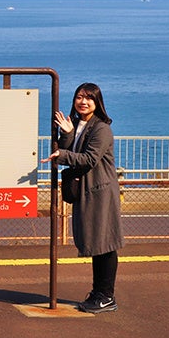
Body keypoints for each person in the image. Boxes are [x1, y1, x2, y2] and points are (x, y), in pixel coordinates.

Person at [42, 82, 124, 313]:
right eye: (79, 97)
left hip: (100, 193)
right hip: (86, 193)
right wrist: (66, 134)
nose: (83, 102)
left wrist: (63, 153)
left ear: (98, 103)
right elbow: (69, 152)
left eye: (89, 98)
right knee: (96, 243)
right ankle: (99, 293)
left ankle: (106, 296)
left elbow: (89, 159)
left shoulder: (101, 129)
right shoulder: (76, 124)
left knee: (105, 244)